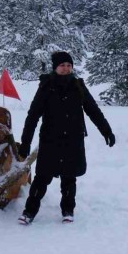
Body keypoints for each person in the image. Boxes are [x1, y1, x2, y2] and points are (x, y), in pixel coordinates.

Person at [17, 51, 115, 225]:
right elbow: (33, 116)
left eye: (69, 65)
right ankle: (29, 211)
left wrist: (106, 131)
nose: (66, 68)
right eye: (62, 65)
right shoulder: (46, 86)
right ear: (55, 67)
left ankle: (68, 210)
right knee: (42, 177)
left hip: (73, 139)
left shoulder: (78, 86)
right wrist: (25, 143)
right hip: (50, 140)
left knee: (69, 178)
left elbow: (93, 110)